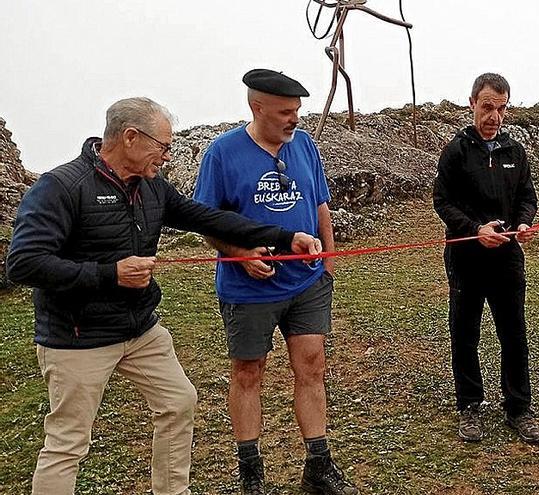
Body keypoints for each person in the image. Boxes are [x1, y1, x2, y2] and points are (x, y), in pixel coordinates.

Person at [6, 97, 322, 495]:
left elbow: (205, 217)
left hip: (140, 330)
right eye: (164, 146)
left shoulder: (152, 186)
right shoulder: (61, 187)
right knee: (68, 441)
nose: (168, 156)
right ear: (131, 138)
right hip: (77, 336)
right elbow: (23, 264)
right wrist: (110, 274)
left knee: (178, 402)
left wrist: (281, 236)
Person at [193, 69, 357, 495]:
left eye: (297, 111)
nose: (294, 120)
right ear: (257, 107)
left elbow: (320, 203)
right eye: (285, 112)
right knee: (249, 372)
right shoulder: (221, 154)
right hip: (249, 289)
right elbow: (204, 220)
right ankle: (252, 475)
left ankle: (317, 466)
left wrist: (329, 259)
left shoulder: (304, 145)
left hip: (307, 283)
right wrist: (237, 253)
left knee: (312, 366)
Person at [432, 72, 539, 445]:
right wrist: (475, 228)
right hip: (466, 256)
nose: (494, 116)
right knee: (465, 333)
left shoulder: (516, 152)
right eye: (487, 107)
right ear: (472, 104)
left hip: (508, 257)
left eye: (501, 108)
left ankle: (518, 408)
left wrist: (525, 222)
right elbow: (442, 202)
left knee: (513, 332)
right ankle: (469, 405)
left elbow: (528, 196)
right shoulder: (456, 150)